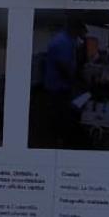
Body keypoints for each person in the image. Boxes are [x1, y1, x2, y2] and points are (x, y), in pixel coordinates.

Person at [44, 19, 87, 147]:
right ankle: (59, 139)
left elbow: (75, 57)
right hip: (57, 85)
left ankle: (62, 133)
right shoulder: (61, 42)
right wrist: (76, 82)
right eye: (80, 31)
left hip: (63, 83)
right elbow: (63, 68)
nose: (81, 35)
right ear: (74, 29)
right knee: (60, 111)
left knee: (63, 110)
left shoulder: (70, 39)